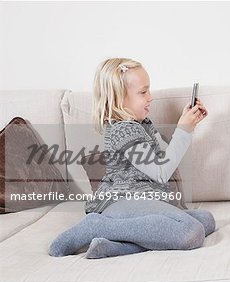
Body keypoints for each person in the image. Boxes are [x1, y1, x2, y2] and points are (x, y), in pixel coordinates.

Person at [49, 58, 215, 258]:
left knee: (206, 220)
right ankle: (97, 226)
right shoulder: (123, 130)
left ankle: (115, 247)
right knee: (192, 232)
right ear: (119, 98)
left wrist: (187, 124)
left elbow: (164, 156)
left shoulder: (142, 124)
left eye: (149, 90)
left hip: (143, 201)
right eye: (143, 92)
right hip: (121, 202)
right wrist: (184, 130)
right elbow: (161, 171)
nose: (150, 97)